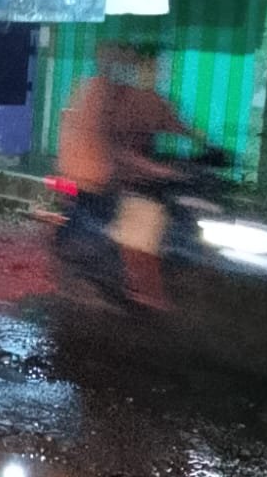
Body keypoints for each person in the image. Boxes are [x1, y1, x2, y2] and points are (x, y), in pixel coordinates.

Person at [58, 44, 200, 309]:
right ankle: (144, 290)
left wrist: (207, 145)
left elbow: (175, 123)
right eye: (150, 66)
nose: (156, 72)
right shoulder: (107, 94)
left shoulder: (146, 98)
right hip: (104, 178)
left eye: (158, 67)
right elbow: (114, 145)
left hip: (124, 176)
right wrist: (157, 169)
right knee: (143, 221)